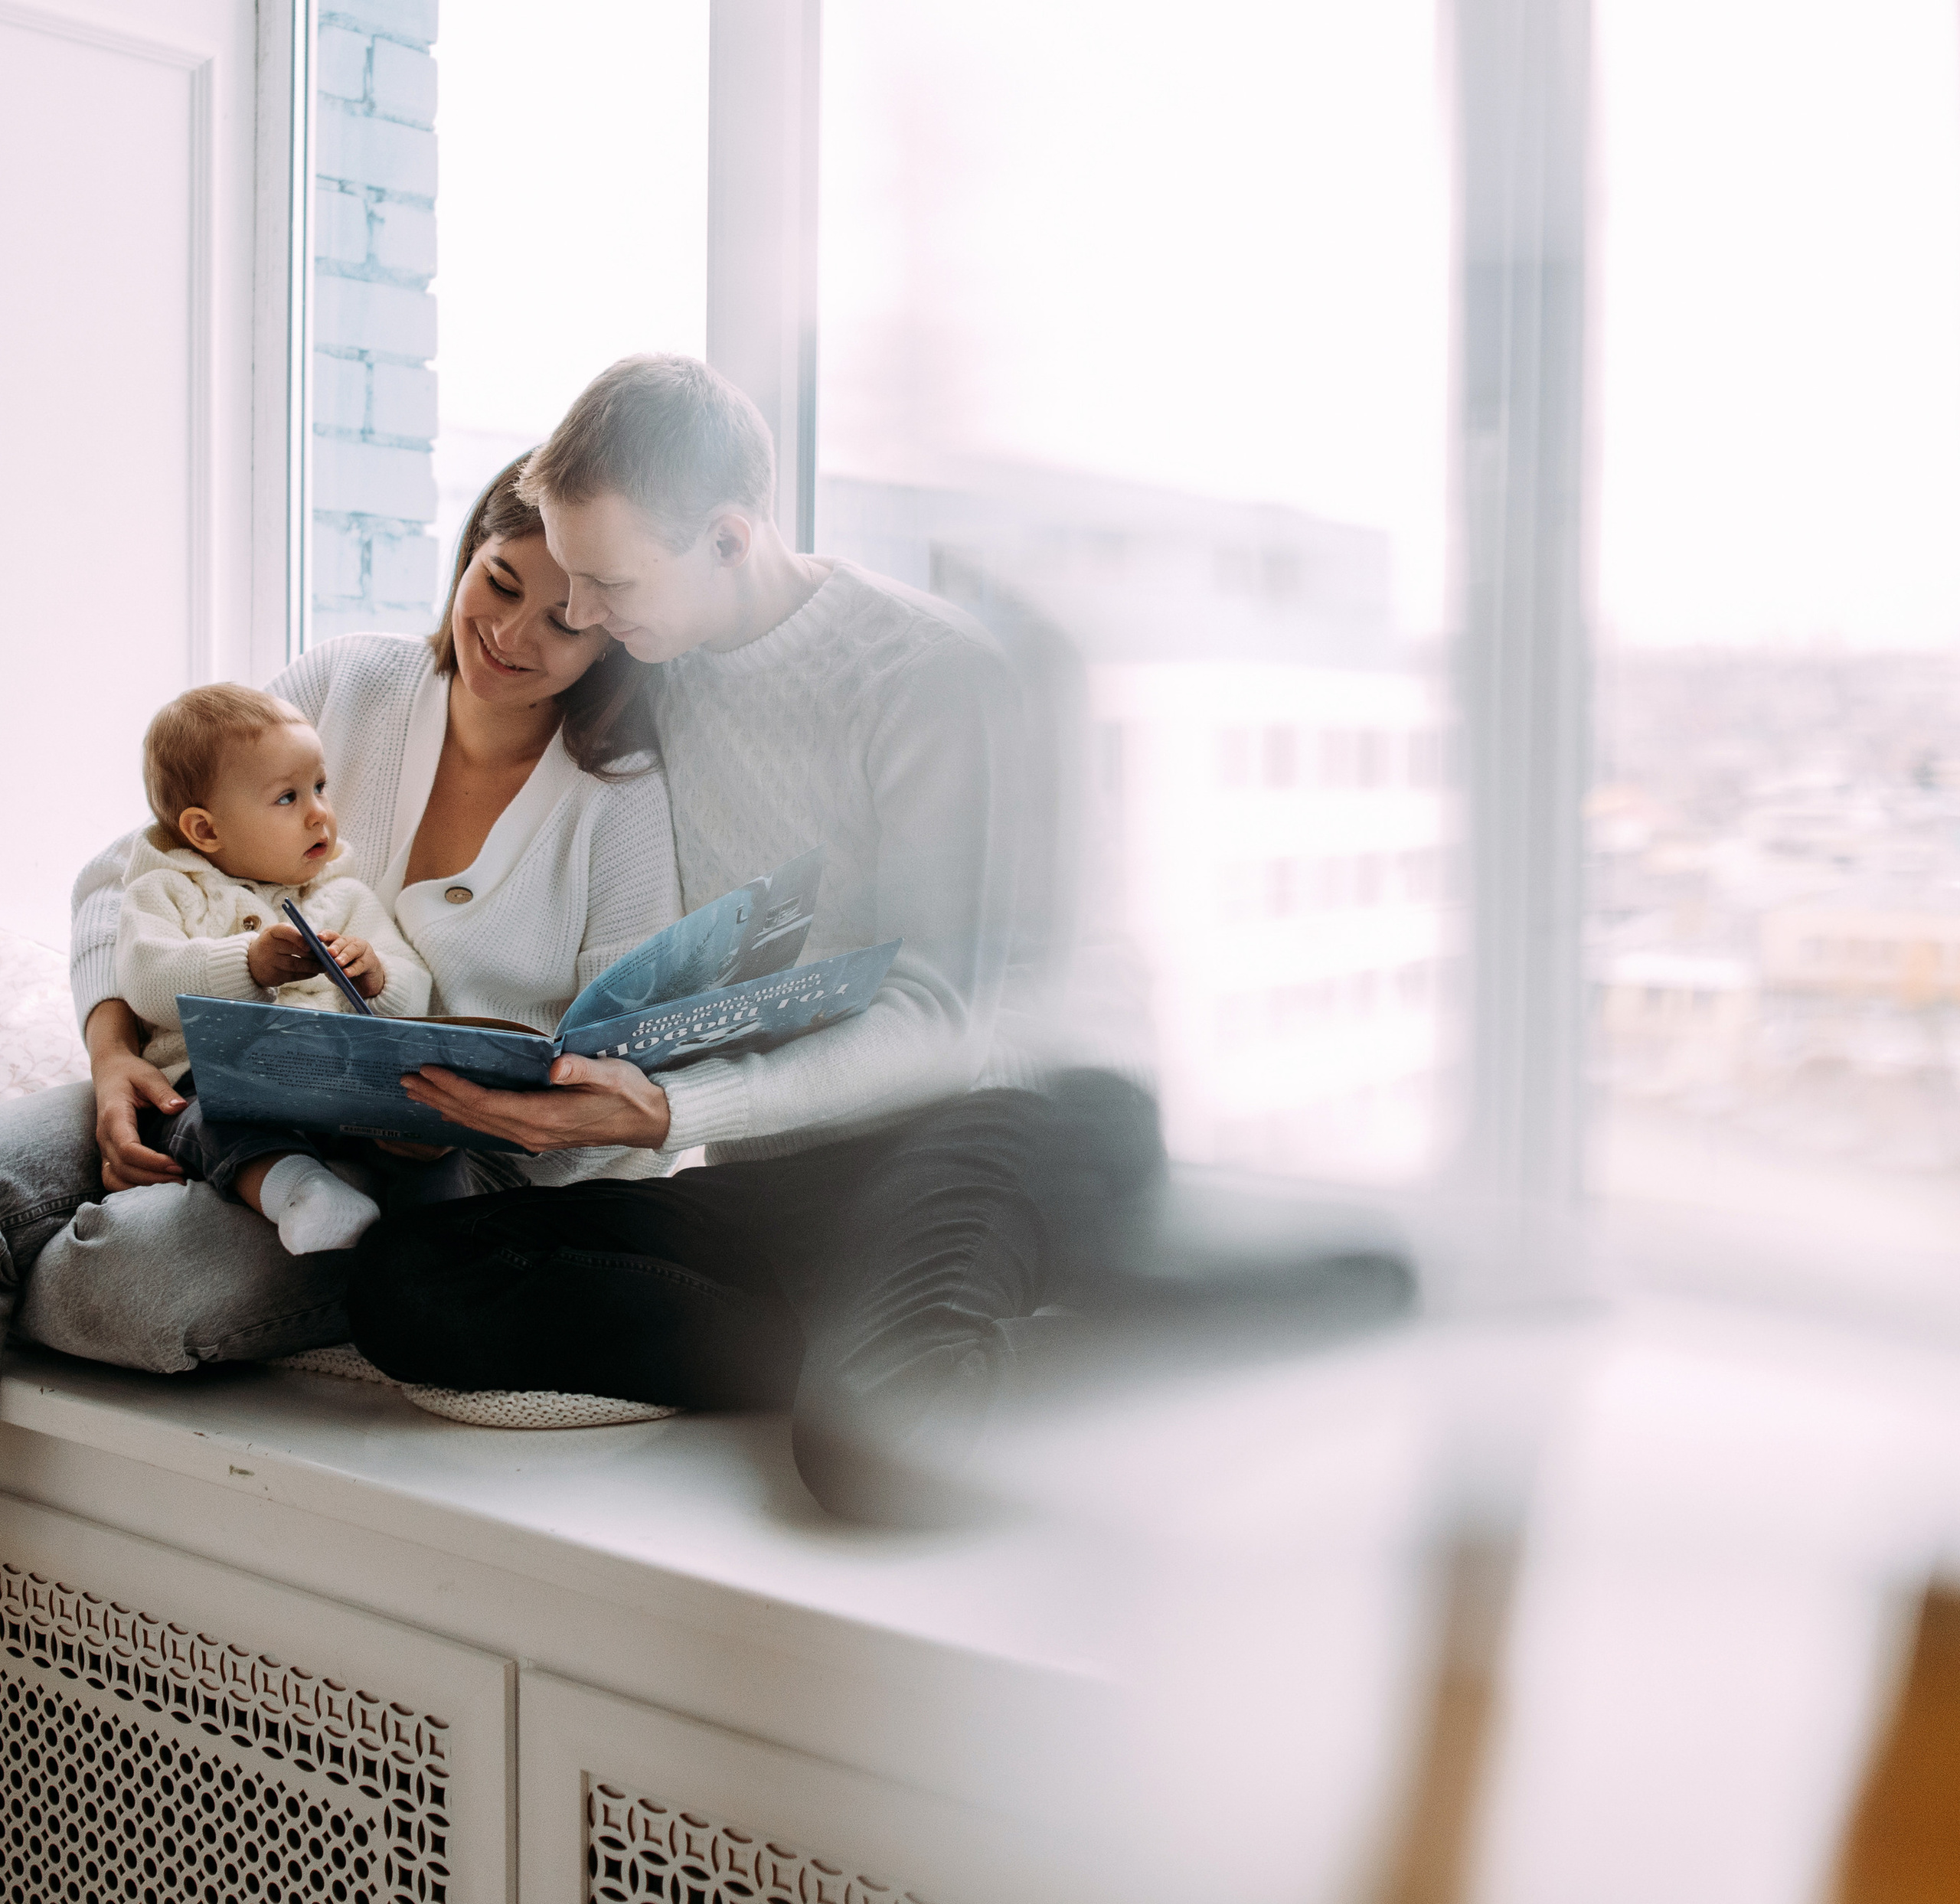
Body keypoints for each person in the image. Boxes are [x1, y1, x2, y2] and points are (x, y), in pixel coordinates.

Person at [348, 354, 1348, 1526]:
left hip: (1008, 1113)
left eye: (608, 585)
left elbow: (943, 1022)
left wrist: (671, 1112)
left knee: (879, 1450)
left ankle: (1191, 1324)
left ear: (728, 539)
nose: (585, 617)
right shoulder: (658, 668)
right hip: (807, 1164)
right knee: (409, 1282)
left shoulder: (931, 675)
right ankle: (878, 1332)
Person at [0, 456, 682, 1374]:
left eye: (562, 621)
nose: (509, 634)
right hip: (206, 1081)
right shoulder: (348, 681)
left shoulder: (621, 801)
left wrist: (462, 1120)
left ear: (611, 635)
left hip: (454, 1174)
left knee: (123, 1284)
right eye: (498, 582)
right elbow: (128, 873)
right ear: (467, 556)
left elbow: (625, 1070)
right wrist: (113, 1053)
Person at [117, 682, 431, 1253]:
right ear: (206, 830)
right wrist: (249, 964)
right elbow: (145, 980)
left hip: (336, 1084)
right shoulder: (165, 891)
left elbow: (417, 989)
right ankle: (302, 1193)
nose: (319, 813)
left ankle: (443, 1239)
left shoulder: (345, 897)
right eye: (288, 798)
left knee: (427, 1128)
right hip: (215, 1084)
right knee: (207, 1121)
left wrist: (378, 977)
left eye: (320, 787)